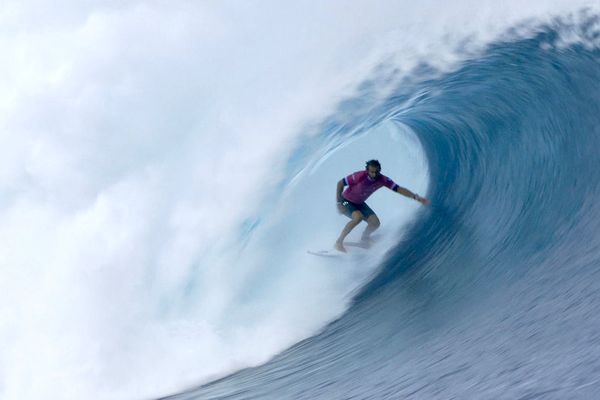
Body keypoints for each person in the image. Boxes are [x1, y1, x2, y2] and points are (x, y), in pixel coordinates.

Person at [335, 159, 429, 252]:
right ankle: (338, 242)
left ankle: (364, 239)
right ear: (367, 170)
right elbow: (340, 183)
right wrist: (339, 202)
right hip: (345, 201)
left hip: (359, 203)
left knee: (375, 223)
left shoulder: (383, 180)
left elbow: (398, 189)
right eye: (372, 172)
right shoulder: (359, 176)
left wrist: (416, 197)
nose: (374, 175)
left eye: (377, 172)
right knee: (358, 217)